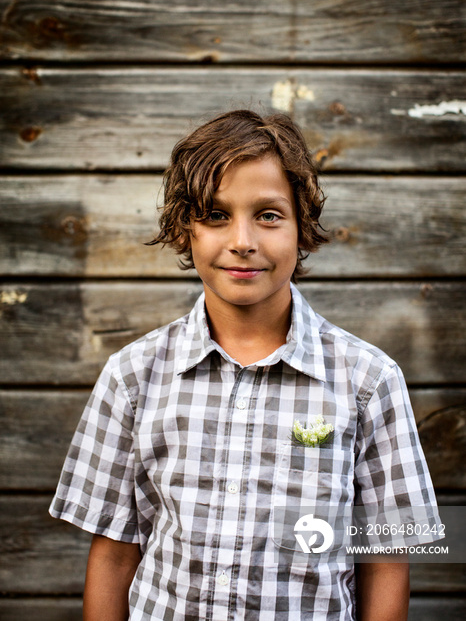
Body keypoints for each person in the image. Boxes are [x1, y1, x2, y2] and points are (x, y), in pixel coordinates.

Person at [50, 109, 443, 621]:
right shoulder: (133, 377)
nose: (242, 240)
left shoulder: (368, 381)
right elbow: (114, 552)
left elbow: (387, 559)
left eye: (269, 215)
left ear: (302, 226)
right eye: (216, 215)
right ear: (184, 229)